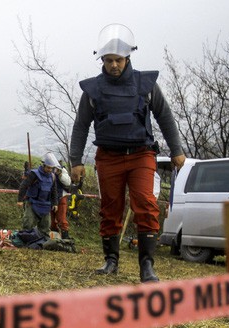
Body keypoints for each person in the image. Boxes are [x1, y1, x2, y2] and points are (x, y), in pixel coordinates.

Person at [69, 24, 186, 282]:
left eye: (118, 60)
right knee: (110, 207)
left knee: (145, 203)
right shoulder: (92, 91)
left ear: (128, 58)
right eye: (108, 60)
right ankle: (111, 261)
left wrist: (176, 150)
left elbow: (165, 116)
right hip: (108, 157)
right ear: (102, 60)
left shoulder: (146, 85)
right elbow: (80, 125)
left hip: (141, 155)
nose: (113, 65)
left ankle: (147, 266)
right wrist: (75, 160)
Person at [18, 152, 60, 237]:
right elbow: (24, 186)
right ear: (43, 165)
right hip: (32, 203)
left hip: (45, 205)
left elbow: (54, 190)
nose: (50, 170)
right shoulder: (34, 174)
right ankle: (25, 241)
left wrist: (55, 203)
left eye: (51, 168)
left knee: (45, 227)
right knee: (28, 224)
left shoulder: (52, 176)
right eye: (48, 168)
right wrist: (20, 200)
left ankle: (42, 243)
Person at [51, 162, 72, 239]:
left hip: (61, 197)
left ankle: (65, 238)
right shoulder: (47, 169)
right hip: (49, 197)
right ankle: (53, 237)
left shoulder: (62, 170)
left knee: (62, 218)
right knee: (50, 220)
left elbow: (68, 182)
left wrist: (60, 174)